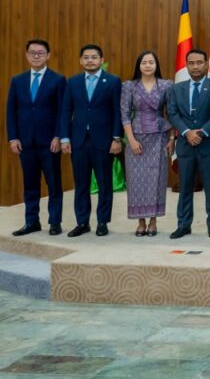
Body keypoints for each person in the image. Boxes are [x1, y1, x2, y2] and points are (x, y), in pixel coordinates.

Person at [59, 44, 123, 237]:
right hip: (78, 140)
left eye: (94, 57)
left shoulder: (112, 81)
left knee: (104, 184)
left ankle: (102, 222)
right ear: (81, 61)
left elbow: (117, 111)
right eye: (86, 57)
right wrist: (64, 137)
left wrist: (116, 138)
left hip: (103, 141)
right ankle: (82, 222)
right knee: (81, 184)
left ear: (101, 60)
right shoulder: (73, 82)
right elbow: (66, 110)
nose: (90, 60)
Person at [6, 39, 66, 236]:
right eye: (32, 52)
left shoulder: (58, 80)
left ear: (48, 55)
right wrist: (13, 138)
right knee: (30, 184)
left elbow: (62, 111)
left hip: (50, 142)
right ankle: (31, 222)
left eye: (41, 53)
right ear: (27, 55)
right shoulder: (18, 80)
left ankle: (55, 222)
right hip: (25, 142)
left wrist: (58, 136)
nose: (36, 56)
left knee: (53, 184)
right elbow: (11, 111)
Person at [166, 48, 210, 239]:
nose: (195, 66)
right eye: (191, 63)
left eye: (199, 63)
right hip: (185, 144)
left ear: (206, 65)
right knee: (185, 186)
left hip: (208, 144)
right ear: (186, 65)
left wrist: (202, 132)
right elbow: (172, 113)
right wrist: (187, 132)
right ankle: (183, 224)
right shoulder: (176, 89)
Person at [120, 50, 174, 237]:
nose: (148, 65)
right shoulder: (129, 86)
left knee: (156, 180)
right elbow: (124, 114)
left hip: (159, 137)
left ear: (156, 65)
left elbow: (171, 113)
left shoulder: (166, 85)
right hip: (136, 138)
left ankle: (153, 222)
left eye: (151, 62)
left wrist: (172, 138)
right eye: (144, 62)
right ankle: (140, 222)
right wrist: (131, 140)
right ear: (139, 65)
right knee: (136, 181)